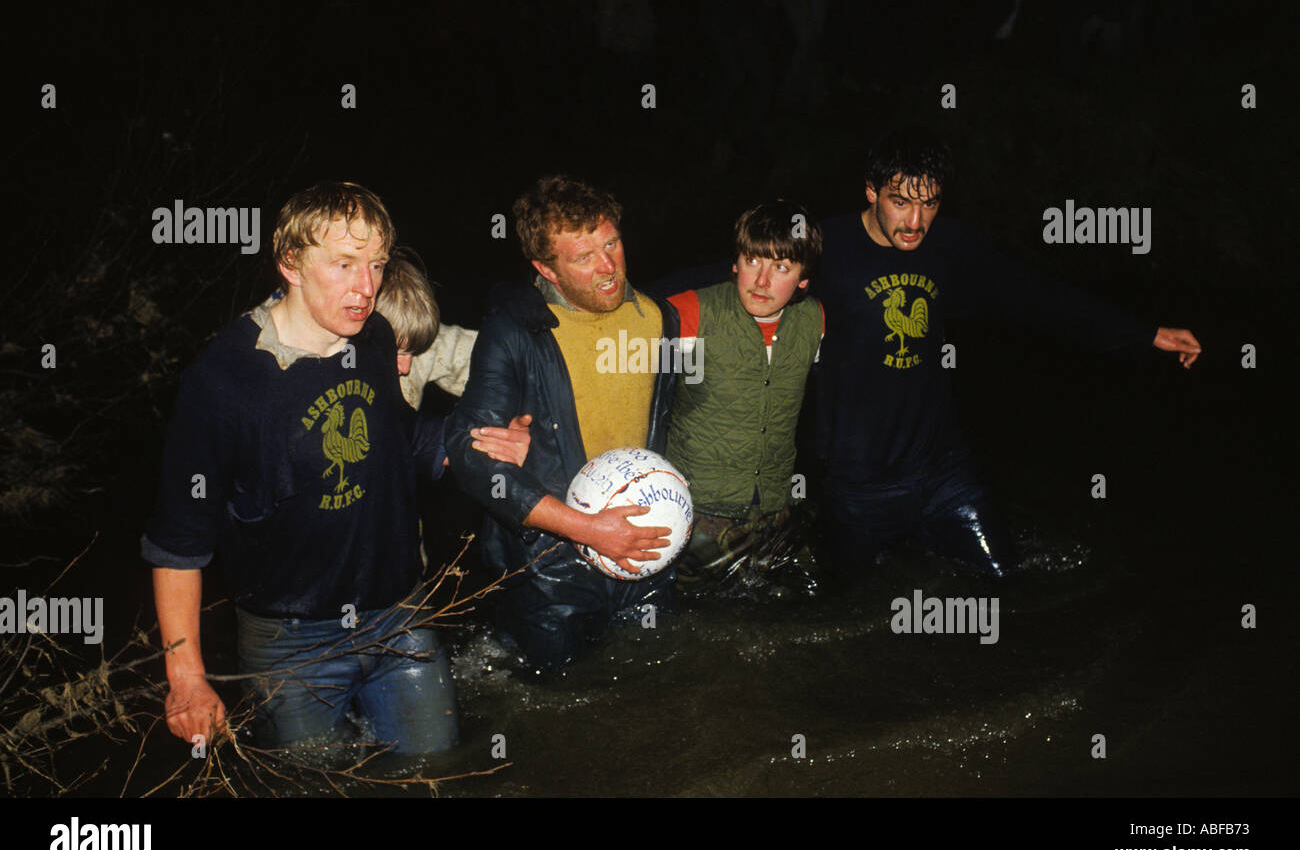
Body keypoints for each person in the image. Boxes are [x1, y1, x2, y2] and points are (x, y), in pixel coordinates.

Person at [142, 182, 531, 755]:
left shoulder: (372, 337)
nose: (367, 287)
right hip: (290, 644)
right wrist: (186, 679)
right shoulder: (222, 382)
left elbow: (402, 442)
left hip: (399, 616)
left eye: (375, 264)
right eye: (344, 264)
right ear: (290, 263)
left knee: (437, 776)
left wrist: (488, 443)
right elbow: (178, 544)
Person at [815, 126, 1201, 580]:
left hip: (943, 472)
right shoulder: (825, 247)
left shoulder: (951, 245)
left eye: (930, 203)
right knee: (846, 607)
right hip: (860, 485)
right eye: (901, 202)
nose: (916, 222)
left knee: (1008, 583)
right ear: (871, 191)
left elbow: (1036, 295)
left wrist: (1144, 332)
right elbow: (742, 276)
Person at [445, 175, 680, 670]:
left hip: (647, 544)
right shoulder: (512, 331)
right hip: (549, 567)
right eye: (582, 257)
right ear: (544, 269)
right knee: (559, 703)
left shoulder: (660, 319)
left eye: (611, 243)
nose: (607, 267)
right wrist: (587, 527)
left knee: (658, 686)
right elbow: (472, 462)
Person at [665, 200, 825, 591]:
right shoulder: (689, 314)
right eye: (753, 261)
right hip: (694, 516)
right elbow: (609, 366)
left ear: (804, 279)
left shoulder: (815, 321)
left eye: (781, 268)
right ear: (736, 262)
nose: (762, 281)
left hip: (775, 513)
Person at [374, 246, 480, 407]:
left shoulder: (415, 341)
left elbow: (491, 354)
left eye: (411, 353)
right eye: (397, 352)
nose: (406, 368)